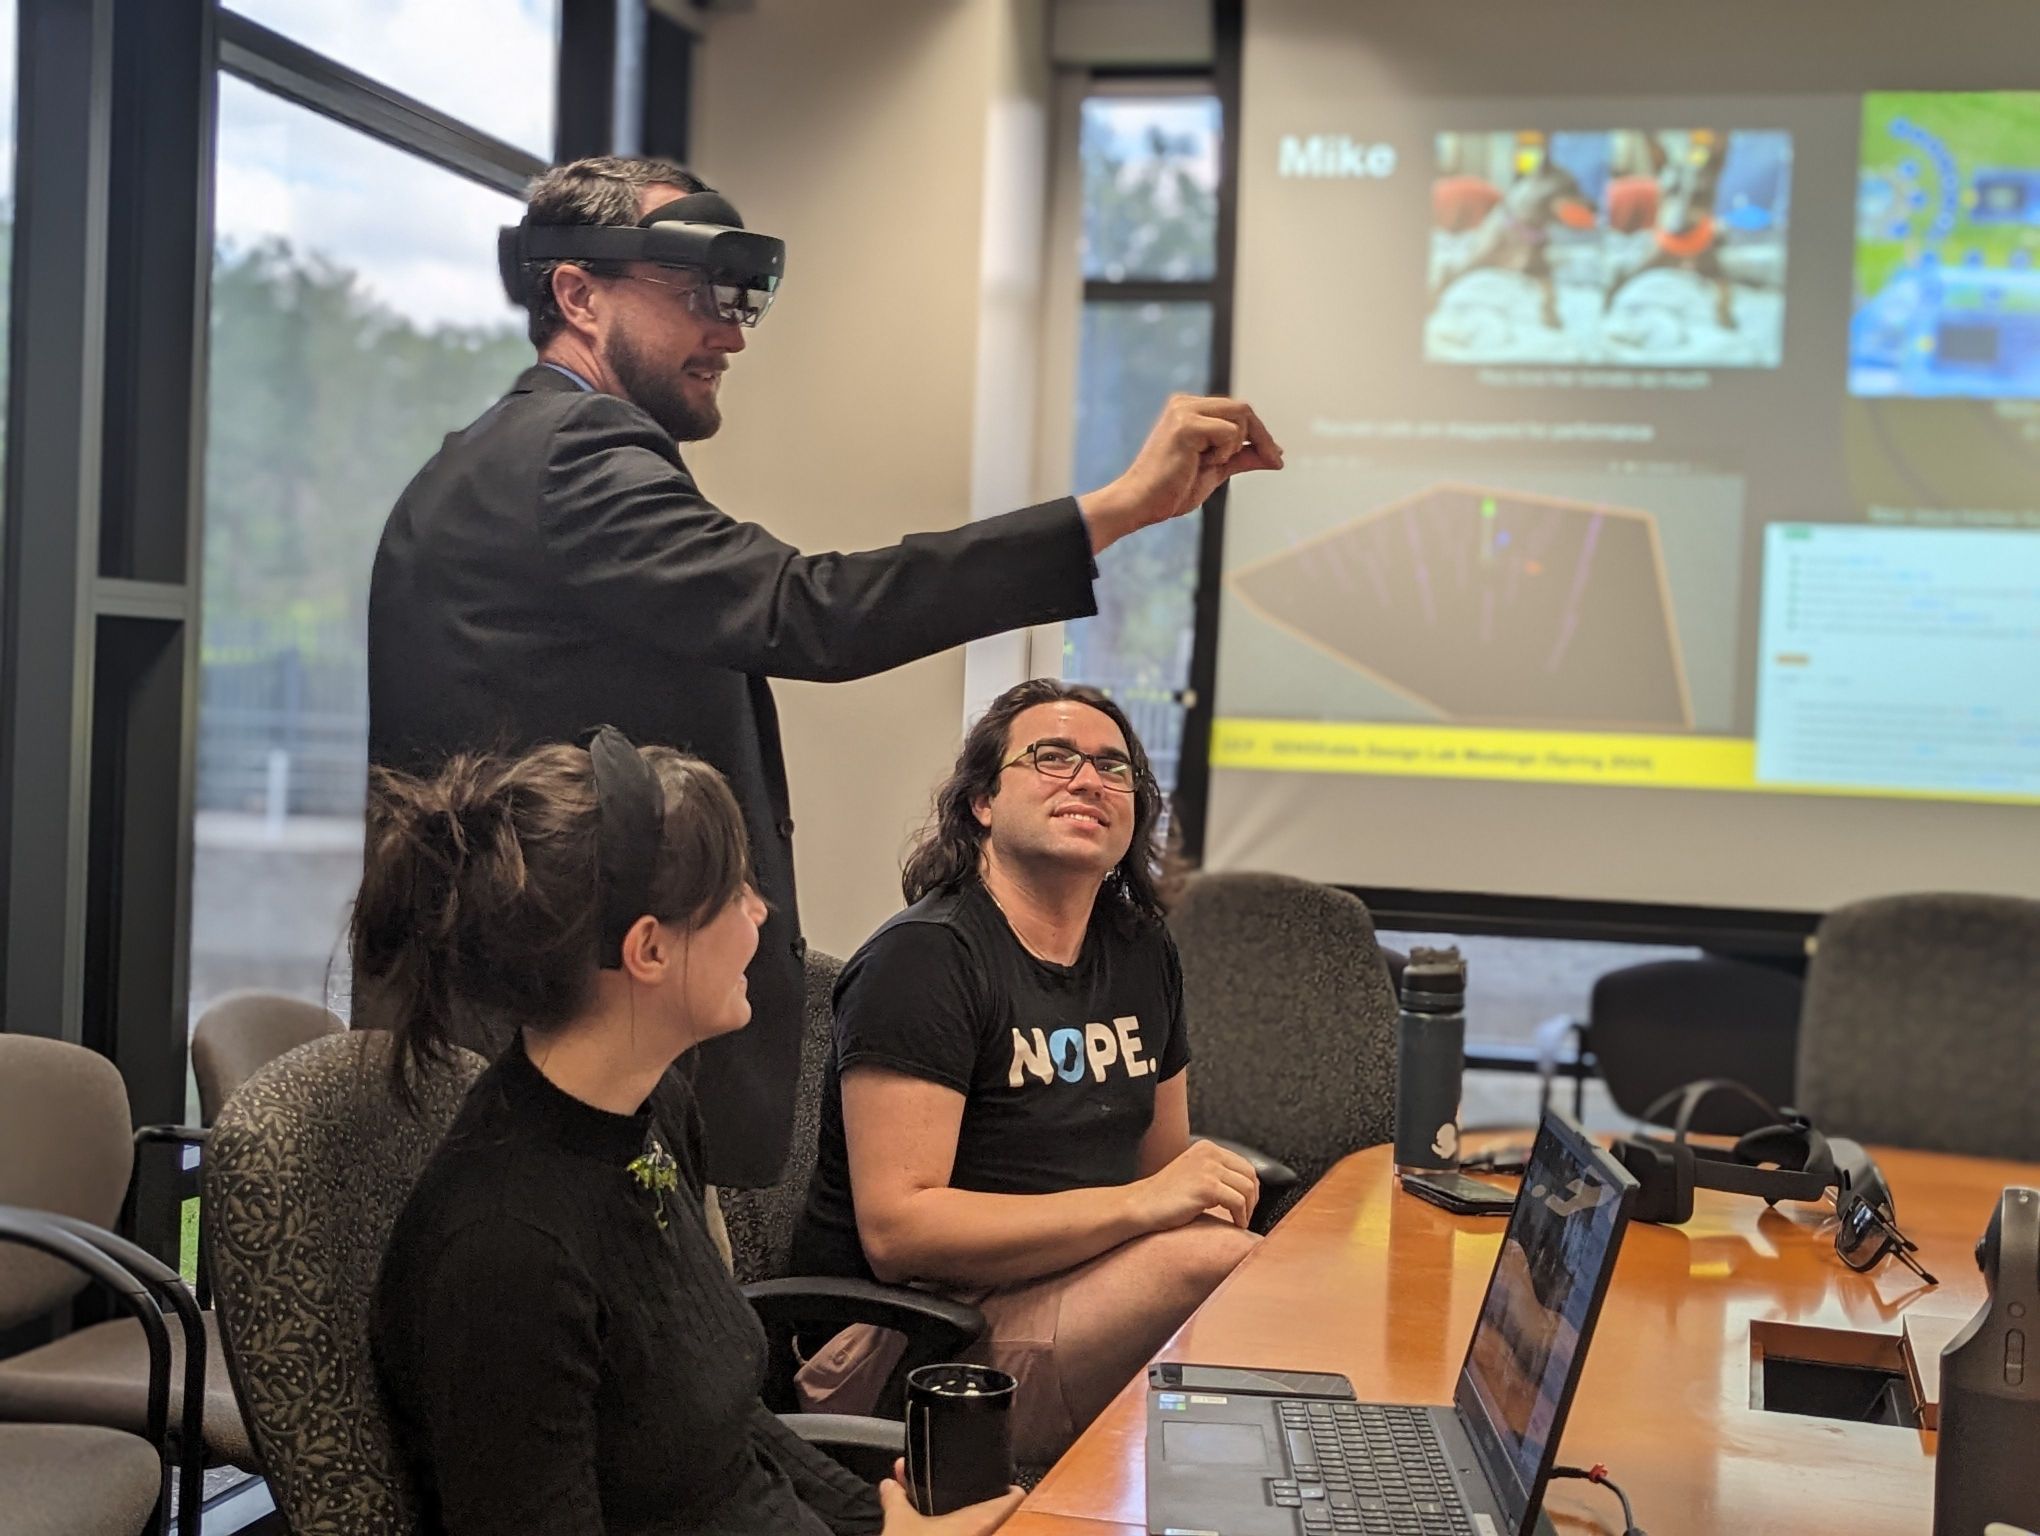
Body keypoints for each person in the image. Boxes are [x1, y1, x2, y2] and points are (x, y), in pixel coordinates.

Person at [367, 154, 1283, 1193]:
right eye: (696, 295)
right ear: (577, 293)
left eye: (740, 299)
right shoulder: (571, 456)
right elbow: (815, 611)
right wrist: (1116, 509)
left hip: (529, 1017)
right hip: (552, 1035)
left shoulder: (495, 461)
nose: (731, 331)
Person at [363, 733, 1024, 1536]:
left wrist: (888, 1521)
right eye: (736, 891)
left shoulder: (652, 1110)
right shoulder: (506, 1256)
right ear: (647, 949)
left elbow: (727, 1428)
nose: (761, 911)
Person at [790, 680, 1261, 1462]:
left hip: (1066, 1288)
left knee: (1239, 1253)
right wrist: (1142, 1206)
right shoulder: (925, 959)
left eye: (1116, 769)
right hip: (902, 1341)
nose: (1088, 780)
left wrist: (1167, 1201)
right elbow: (901, 1233)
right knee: (1221, 1266)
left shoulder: (1141, 949)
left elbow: (1164, 1170)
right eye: (1053, 757)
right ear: (980, 800)